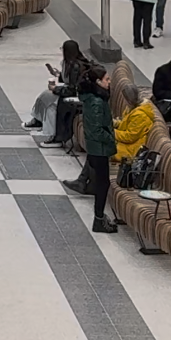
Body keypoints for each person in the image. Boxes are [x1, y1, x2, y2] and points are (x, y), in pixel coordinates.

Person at [70, 65, 117, 233]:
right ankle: (98, 219)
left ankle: (83, 184)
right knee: (103, 184)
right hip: (99, 148)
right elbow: (96, 129)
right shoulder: (96, 102)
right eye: (107, 79)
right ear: (98, 81)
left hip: (96, 147)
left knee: (101, 181)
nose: (109, 82)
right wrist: (110, 138)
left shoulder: (93, 98)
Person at [23, 39, 87, 144]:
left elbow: (72, 89)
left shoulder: (75, 66)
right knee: (45, 95)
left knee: (51, 106)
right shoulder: (69, 64)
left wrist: (56, 89)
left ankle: (55, 136)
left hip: (75, 95)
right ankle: (37, 120)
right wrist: (57, 75)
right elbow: (68, 80)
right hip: (69, 91)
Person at [113, 84, 154, 163]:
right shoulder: (132, 108)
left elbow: (130, 137)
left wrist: (112, 132)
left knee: (103, 148)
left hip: (132, 148)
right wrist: (116, 123)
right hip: (127, 144)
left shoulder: (140, 115)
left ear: (129, 100)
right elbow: (126, 124)